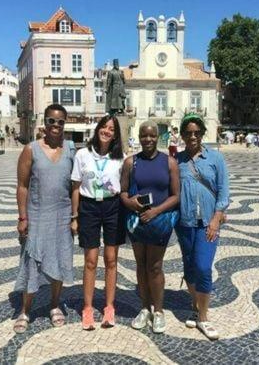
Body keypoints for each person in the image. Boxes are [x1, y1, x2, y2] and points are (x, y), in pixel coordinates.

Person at [12, 104, 76, 333]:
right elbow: (22, 186)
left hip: (62, 214)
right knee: (32, 262)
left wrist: (74, 216)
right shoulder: (31, 149)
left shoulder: (70, 148)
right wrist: (23, 217)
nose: (56, 126)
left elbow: (75, 185)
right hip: (37, 214)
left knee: (59, 259)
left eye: (60, 122)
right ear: (44, 122)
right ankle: (25, 309)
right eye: (52, 121)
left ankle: (54, 304)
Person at [121, 120, 180, 334]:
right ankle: (144, 308)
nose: (148, 140)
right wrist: (130, 203)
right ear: (139, 136)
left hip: (159, 221)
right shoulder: (131, 163)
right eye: (144, 136)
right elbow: (123, 192)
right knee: (140, 265)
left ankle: (159, 311)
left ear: (158, 137)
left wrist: (155, 211)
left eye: (152, 136)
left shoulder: (169, 163)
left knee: (155, 266)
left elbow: (176, 196)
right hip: (137, 223)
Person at [175, 114, 230, 341]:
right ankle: (196, 307)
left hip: (208, 222)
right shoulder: (177, 160)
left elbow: (224, 190)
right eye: (188, 132)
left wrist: (217, 218)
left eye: (197, 132)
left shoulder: (215, 158)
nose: (193, 136)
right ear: (182, 135)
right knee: (189, 266)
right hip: (184, 222)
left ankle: (204, 318)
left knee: (203, 267)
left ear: (202, 133)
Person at [70, 115, 126, 330]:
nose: (107, 131)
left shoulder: (120, 157)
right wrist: (74, 217)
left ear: (115, 134)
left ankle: (109, 306)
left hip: (113, 208)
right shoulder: (82, 154)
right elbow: (75, 187)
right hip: (89, 207)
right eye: (104, 127)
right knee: (90, 260)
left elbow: (126, 185)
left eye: (111, 128)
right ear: (98, 129)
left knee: (111, 259)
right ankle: (87, 307)